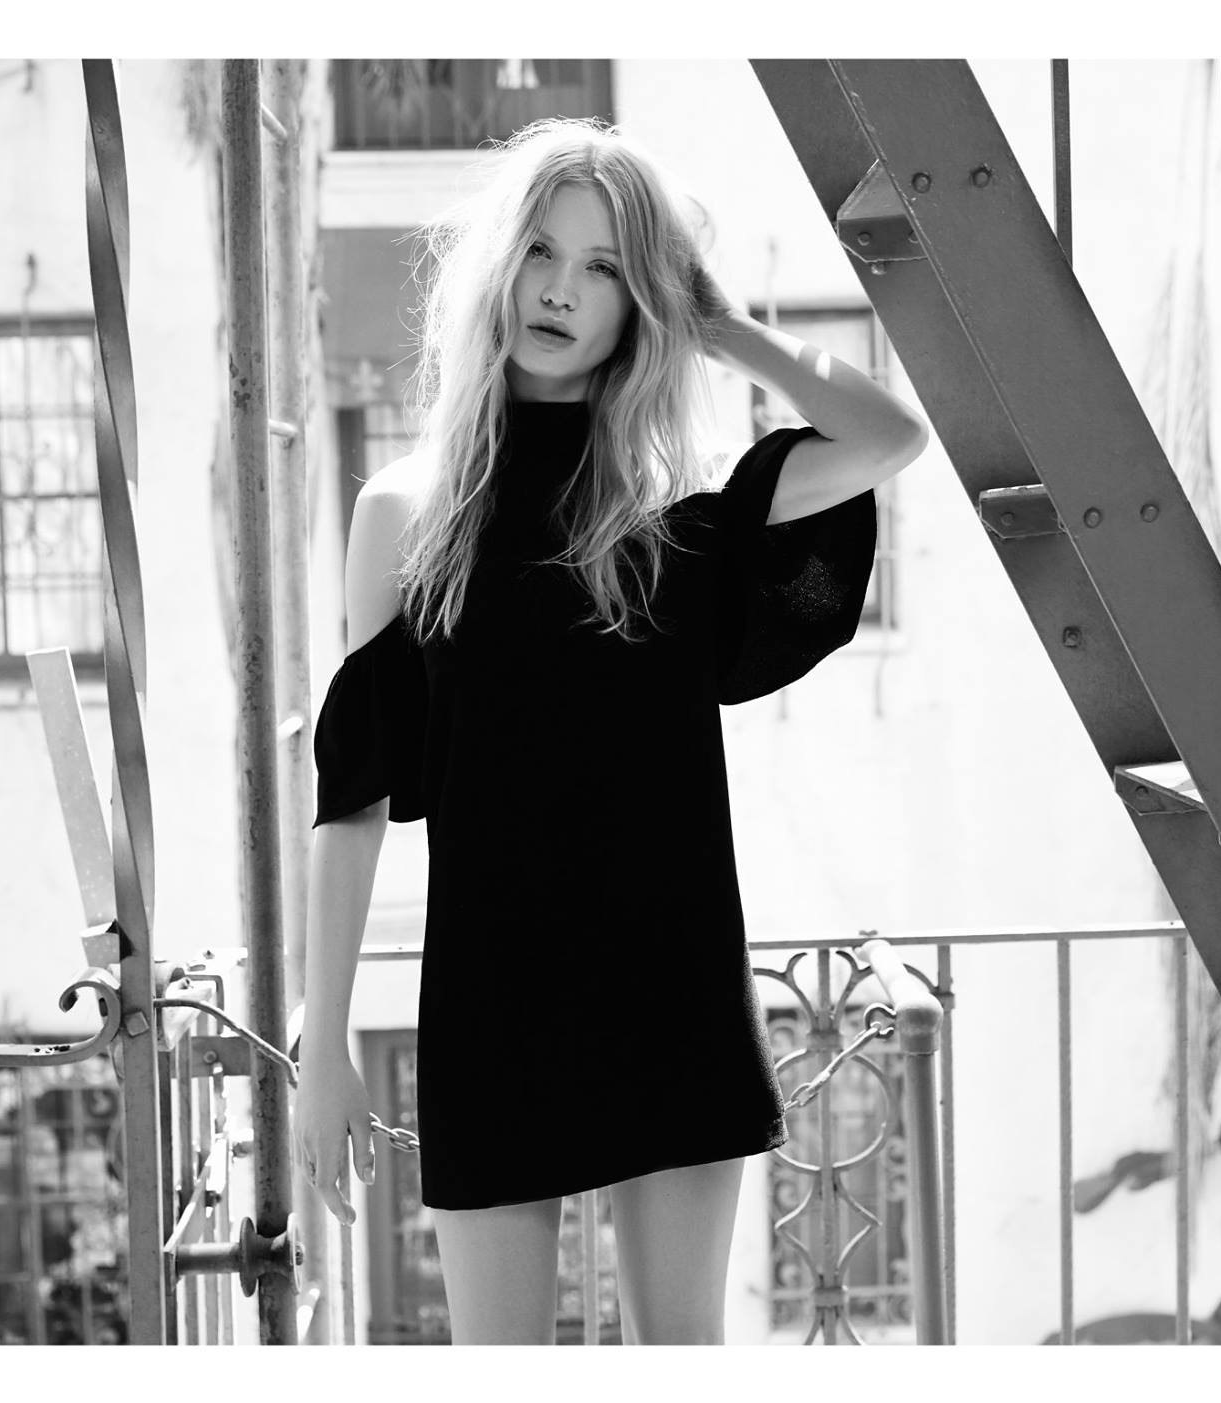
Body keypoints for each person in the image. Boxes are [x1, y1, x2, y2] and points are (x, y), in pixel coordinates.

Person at [294, 117, 929, 1346]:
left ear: (641, 302)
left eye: (602, 268)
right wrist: (325, 1042)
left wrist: (721, 326)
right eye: (540, 251)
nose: (559, 291)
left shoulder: (679, 506)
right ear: (499, 266)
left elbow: (888, 437)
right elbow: (352, 798)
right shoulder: (405, 511)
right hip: (491, 1000)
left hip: (670, 987)